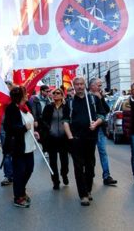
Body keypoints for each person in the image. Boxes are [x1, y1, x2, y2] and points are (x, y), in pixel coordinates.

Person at [63, 77, 106, 206]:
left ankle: (88, 189)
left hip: (91, 138)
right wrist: (70, 137)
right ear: (74, 86)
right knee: (78, 167)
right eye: (77, 84)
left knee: (90, 166)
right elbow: (65, 121)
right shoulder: (69, 103)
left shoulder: (93, 100)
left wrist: (96, 123)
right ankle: (83, 195)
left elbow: (102, 115)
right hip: (76, 139)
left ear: (85, 85)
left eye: (82, 84)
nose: (80, 86)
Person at [3, 86, 38, 208]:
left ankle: (21, 190)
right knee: (19, 172)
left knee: (29, 169)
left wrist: (34, 131)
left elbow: (30, 123)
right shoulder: (11, 109)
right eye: (25, 93)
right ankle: (18, 196)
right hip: (18, 147)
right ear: (20, 96)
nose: (27, 94)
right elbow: (8, 128)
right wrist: (23, 128)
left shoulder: (26, 107)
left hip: (29, 144)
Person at [89, 78, 117, 186]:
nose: (100, 88)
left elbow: (106, 110)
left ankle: (106, 176)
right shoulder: (87, 97)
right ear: (92, 86)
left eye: (101, 85)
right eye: (98, 85)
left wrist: (100, 99)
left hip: (100, 128)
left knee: (103, 152)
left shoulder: (100, 97)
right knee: (90, 154)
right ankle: (90, 174)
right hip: (90, 129)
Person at [40, 87, 69, 189]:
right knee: (53, 161)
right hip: (51, 138)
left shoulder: (66, 107)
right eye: (54, 93)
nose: (56, 95)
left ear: (62, 95)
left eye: (58, 93)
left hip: (63, 138)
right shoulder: (48, 107)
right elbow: (42, 120)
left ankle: (64, 174)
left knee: (64, 161)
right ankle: (55, 181)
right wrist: (48, 129)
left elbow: (69, 120)